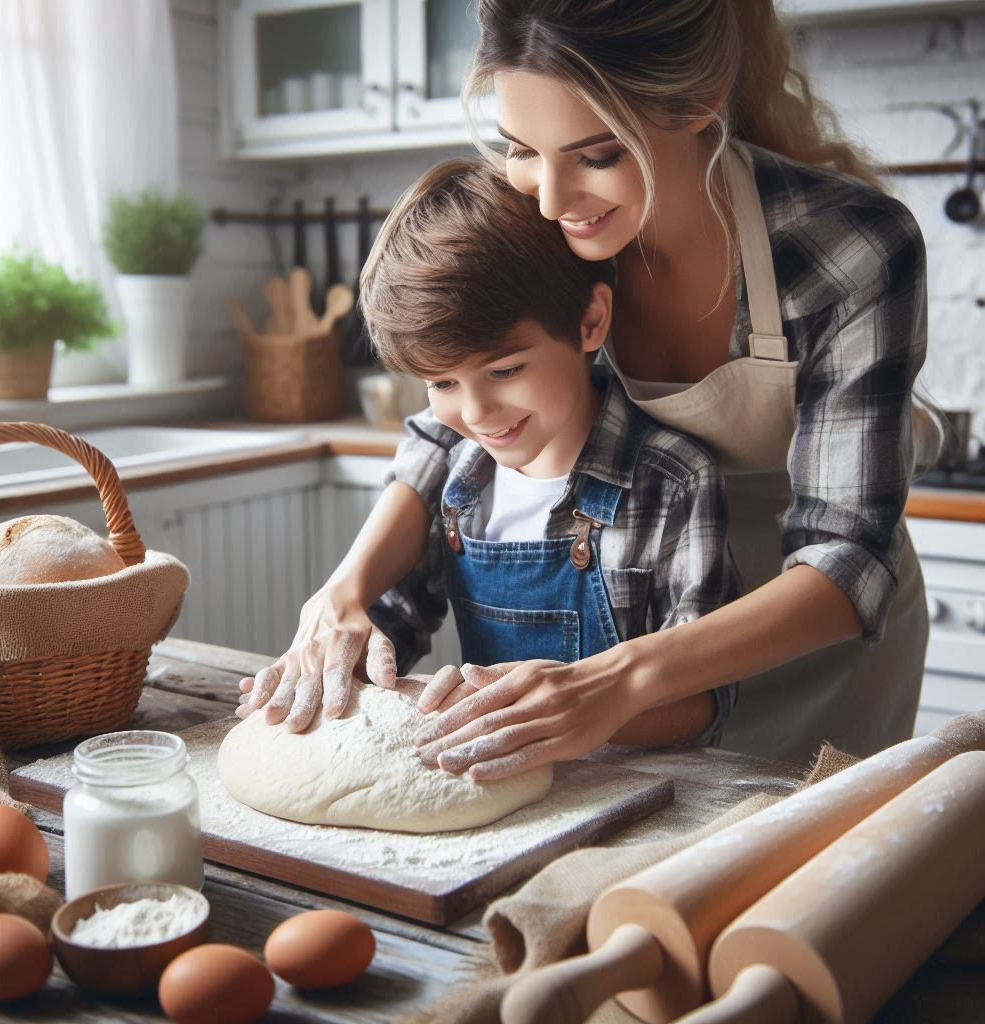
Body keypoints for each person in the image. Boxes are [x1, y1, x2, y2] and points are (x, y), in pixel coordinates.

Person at [240, 0, 937, 773]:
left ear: (699, 104)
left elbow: (846, 558)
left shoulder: (847, 246)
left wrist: (621, 678)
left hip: (808, 641)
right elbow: (452, 422)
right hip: (629, 642)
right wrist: (341, 592)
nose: (546, 198)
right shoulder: (557, 224)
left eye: (597, 153)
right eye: (520, 148)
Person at [242, 156, 740, 754]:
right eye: (442, 384)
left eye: (504, 370)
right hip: (497, 784)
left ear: (590, 322)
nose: (475, 414)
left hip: (644, 793)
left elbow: (707, 700)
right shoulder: (459, 472)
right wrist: (336, 668)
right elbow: (398, 615)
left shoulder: (673, 480)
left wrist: (574, 713)